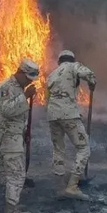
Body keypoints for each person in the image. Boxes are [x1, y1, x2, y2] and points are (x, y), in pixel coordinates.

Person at [45, 50, 96, 200]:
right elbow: (89, 74)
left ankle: (60, 186)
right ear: (72, 60)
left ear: (59, 61)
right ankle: (72, 186)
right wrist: (92, 83)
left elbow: (47, 98)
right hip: (69, 114)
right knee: (83, 148)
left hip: (52, 115)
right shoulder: (74, 66)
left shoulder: (51, 75)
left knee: (58, 149)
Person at [0, 59, 39, 213]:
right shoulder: (6, 87)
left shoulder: (18, 88)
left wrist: (25, 132)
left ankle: (13, 208)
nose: (29, 82)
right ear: (19, 72)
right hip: (8, 137)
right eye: (27, 78)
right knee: (16, 175)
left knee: (16, 174)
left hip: (15, 136)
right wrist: (25, 96)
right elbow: (6, 111)